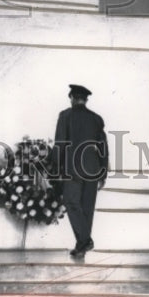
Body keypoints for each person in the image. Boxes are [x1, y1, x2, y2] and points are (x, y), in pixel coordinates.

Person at [53, 84, 108, 259]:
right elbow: (103, 148)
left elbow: (60, 144)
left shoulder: (65, 116)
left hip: (72, 169)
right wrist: (103, 172)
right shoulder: (97, 119)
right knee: (86, 209)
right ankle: (82, 247)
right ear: (85, 100)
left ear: (71, 98)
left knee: (71, 203)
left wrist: (55, 169)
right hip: (93, 170)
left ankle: (85, 241)